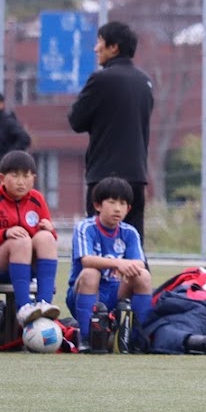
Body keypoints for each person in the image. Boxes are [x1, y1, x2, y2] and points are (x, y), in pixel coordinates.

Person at [68, 21, 154, 245]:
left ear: (113, 47)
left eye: (100, 42)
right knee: (133, 243)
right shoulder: (145, 82)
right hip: (136, 175)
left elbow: (76, 121)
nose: (96, 48)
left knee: (100, 243)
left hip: (105, 175)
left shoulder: (101, 79)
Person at [0, 150, 61, 328]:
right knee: (21, 240)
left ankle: (44, 303)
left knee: (45, 237)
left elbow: (50, 239)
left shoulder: (37, 199)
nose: (21, 182)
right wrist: (5, 233)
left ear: (33, 179)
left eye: (26, 176)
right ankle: (23, 307)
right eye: (15, 176)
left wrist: (51, 231)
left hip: (26, 266)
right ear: (2, 178)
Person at [66, 176, 153, 332]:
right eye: (112, 202)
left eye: (122, 203)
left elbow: (140, 263)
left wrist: (128, 267)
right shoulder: (85, 227)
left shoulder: (130, 232)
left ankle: (138, 337)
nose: (117, 208)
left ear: (128, 209)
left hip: (117, 292)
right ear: (98, 205)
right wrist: (118, 263)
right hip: (85, 292)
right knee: (91, 273)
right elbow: (86, 260)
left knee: (143, 275)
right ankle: (86, 338)